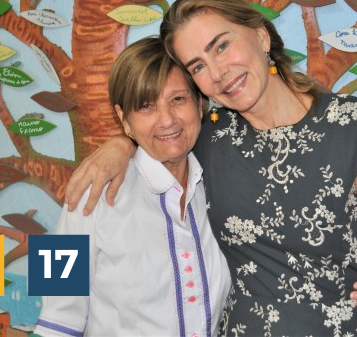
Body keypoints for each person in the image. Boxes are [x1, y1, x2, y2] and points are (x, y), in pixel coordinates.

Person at [66, 0, 357, 336]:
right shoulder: (84, 194)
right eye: (198, 66)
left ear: (261, 36)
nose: (217, 72)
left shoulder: (352, 127)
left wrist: (122, 142)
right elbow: (50, 299)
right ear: (123, 117)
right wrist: (118, 145)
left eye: (221, 46)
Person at [35, 37, 232, 337]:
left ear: (200, 103)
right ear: (124, 119)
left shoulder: (222, 184)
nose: (167, 120)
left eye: (178, 99)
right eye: (145, 106)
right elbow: (52, 322)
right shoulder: (87, 190)